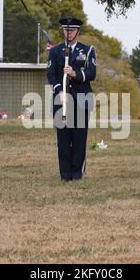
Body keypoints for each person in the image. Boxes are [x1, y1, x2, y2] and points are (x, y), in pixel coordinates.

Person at [47, 17, 97, 181]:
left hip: (82, 98)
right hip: (61, 100)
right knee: (63, 138)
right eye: (66, 30)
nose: (68, 33)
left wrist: (75, 74)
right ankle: (65, 174)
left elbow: (92, 73)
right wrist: (59, 90)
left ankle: (77, 173)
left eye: (72, 30)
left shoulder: (88, 50)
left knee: (79, 137)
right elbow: (51, 74)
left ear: (78, 32)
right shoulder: (55, 51)